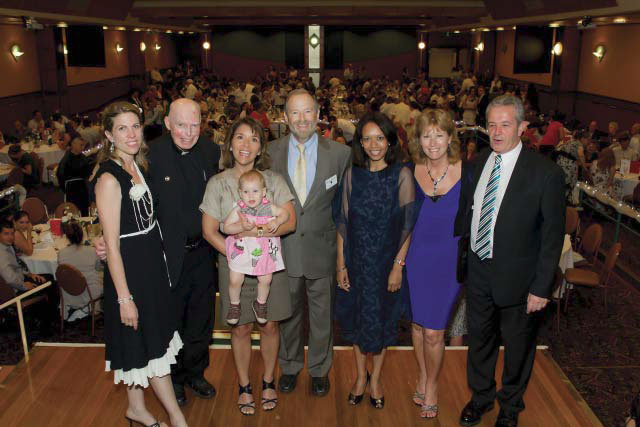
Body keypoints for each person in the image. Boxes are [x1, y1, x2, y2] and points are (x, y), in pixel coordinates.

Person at [95, 98, 220, 408]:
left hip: (204, 252)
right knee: (171, 320)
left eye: (195, 125)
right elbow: (123, 203)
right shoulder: (150, 153)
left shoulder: (211, 151)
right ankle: (174, 379)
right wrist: (103, 237)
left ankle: (196, 373)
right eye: (181, 125)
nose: (188, 133)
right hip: (166, 256)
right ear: (167, 123)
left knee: (201, 320)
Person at [456, 95, 565, 426]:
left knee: (518, 349)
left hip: (521, 280)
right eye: (491, 124)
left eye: (505, 124)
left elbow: (551, 237)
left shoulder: (545, 174)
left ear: (522, 127)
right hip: (478, 270)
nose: (497, 132)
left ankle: (510, 406)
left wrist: (542, 287)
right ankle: (482, 397)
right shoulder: (478, 163)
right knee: (480, 341)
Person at [93, 101, 188, 427]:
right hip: (131, 273)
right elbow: (115, 247)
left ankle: (136, 408)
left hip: (150, 266)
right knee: (154, 347)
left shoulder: (138, 166)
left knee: (140, 343)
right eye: (122, 128)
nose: (131, 134)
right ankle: (176, 417)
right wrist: (124, 298)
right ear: (109, 135)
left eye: (135, 126)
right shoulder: (109, 179)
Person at [201, 117, 296, 415]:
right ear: (229, 143)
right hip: (235, 268)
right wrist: (237, 255)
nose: (246, 145)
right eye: (240, 137)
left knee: (269, 326)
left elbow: (290, 221)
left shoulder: (274, 180)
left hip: (268, 263)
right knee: (239, 328)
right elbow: (209, 231)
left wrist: (259, 235)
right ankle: (244, 385)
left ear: (260, 147)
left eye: (253, 139)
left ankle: (268, 380)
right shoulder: (218, 183)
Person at [267, 89, 351, 397]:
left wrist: (343, 257)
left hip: (323, 251)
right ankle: (288, 366)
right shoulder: (271, 152)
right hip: (284, 250)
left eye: (308, 112)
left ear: (318, 115)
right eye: (295, 113)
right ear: (286, 118)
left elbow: (344, 208)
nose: (302, 119)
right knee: (287, 315)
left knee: (322, 317)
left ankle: (319, 369)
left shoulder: (341, 154)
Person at [334, 112, 415, 409]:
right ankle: (359, 377)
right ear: (360, 143)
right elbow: (342, 223)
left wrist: (398, 266)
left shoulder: (402, 175)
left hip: (385, 266)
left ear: (390, 140)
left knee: (380, 325)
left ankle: (376, 379)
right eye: (366, 138)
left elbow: (407, 226)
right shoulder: (352, 175)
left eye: (379, 137)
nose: (373, 144)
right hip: (356, 263)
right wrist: (340, 265)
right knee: (356, 323)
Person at [405, 109, 470, 419]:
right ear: (418, 139)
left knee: (434, 331)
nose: (432, 141)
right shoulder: (408, 171)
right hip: (416, 258)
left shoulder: (467, 173)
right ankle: (422, 373)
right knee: (417, 325)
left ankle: (432, 385)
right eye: (426, 135)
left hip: (448, 262)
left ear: (450, 138)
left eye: (439, 134)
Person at [222, 169, 289, 325]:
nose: (250, 196)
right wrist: (240, 226)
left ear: (264, 192)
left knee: (266, 279)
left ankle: (260, 303)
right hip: (243, 251)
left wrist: (277, 221)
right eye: (246, 192)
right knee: (234, 279)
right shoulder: (239, 209)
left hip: (263, 251)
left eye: (255, 191)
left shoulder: (269, 207)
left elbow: (285, 214)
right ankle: (234, 305)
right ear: (240, 193)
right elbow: (226, 228)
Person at [57, 220, 103, 321]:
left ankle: (82, 309)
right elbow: (99, 267)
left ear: (67, 237)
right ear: (82, 236)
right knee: (101, 276)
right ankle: (93, 308)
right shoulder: (91, 251)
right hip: (89, 293)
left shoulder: (61, 253)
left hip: (68, 293)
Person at [57, 133, 93, 214]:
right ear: (73, 145)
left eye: (83, 145)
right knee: (73, 210)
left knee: (84, 210)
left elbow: (88, 173)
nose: (83, 147)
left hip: (83, 188)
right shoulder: (66, 159)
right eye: (81, 145)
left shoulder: (83, 158)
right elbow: (60, 175)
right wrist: (65, 189)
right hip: (71, 189)